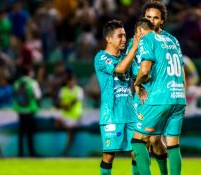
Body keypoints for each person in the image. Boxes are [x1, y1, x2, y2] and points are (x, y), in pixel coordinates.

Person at [132, 18, 186, 175]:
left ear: (140, 31)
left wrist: (137, 83)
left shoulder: (146, 39)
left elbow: (144, 70)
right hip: (178, 97)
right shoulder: (171, 40)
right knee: (173, 145)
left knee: (138, 141)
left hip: (160, 98)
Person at [94, 20, 141, 175]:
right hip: (112, 115)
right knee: (109, 155)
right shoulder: (101, 58)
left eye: (125, 36)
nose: (123, 39)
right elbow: (120, 70)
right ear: (108, 39)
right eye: (119, 36)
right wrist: (134, 48)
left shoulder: (128, 57)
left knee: (138, 152)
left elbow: (139, 76)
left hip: (131, 114)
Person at [13, 67, 42, 157]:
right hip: (30, 110)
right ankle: (31, 153)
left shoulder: (17, 83)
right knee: (30, 133)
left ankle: (20, 153)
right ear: (29, 72)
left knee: (21, 133)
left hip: (20, 110)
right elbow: (38, 96)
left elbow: (15, 96)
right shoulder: (32, 83)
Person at [56, 74, 84, 156]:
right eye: (70, 81)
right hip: (65, 114)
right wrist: (64, 106)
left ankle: (66, 151)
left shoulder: (79, 90)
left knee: (70, 132)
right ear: (67, 82)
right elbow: (60, 102)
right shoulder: (63, 90)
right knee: (57, 124)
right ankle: (66, 143)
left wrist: (66, 106)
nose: (71, 83)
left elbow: (75, 101)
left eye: (73, 81)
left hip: (75, 114)